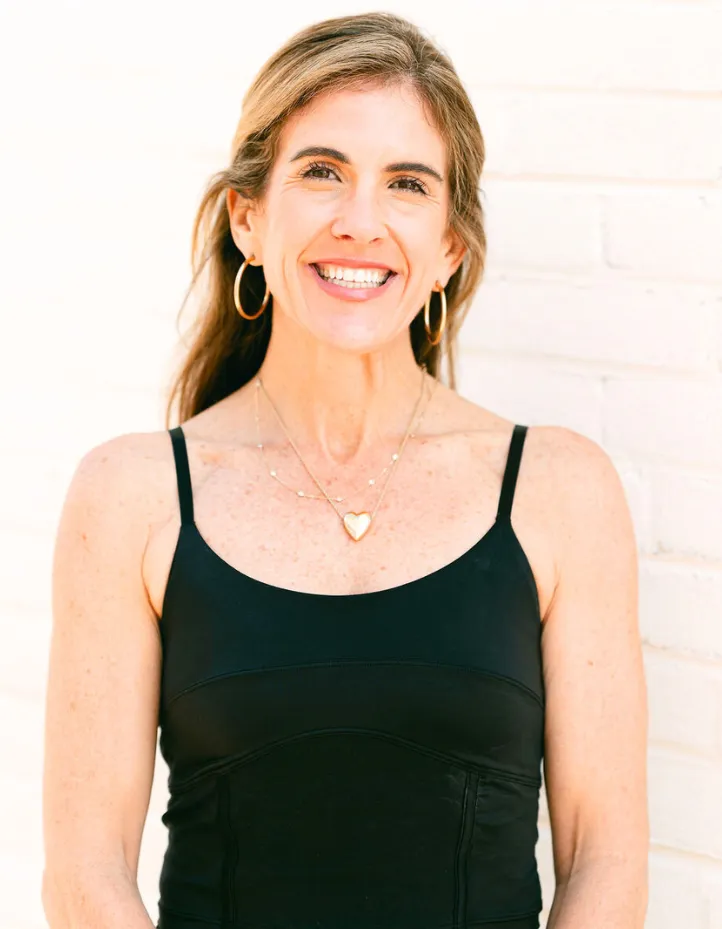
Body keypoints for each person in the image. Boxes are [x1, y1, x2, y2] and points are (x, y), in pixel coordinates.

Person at [41, 12, 649, 929]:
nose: (361, 222)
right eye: (322, 171)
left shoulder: (561, 492)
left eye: (407, 185)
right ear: (248, 216)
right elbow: (84, 879)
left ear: (450, 246)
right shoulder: (131, 497)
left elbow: (606, 860)